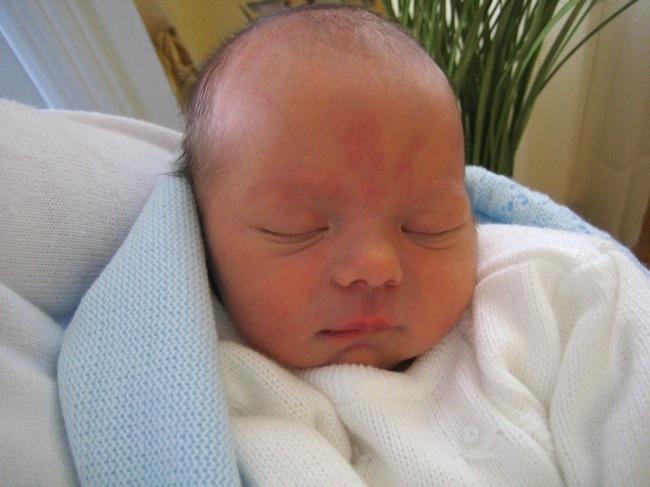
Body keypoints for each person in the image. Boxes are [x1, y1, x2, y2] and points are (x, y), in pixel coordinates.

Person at [177, 4, 650, 485]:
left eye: (429, 225)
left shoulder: (555, 290)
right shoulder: (222, 392)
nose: (375, 266)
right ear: (201, 238)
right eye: (296, 228)